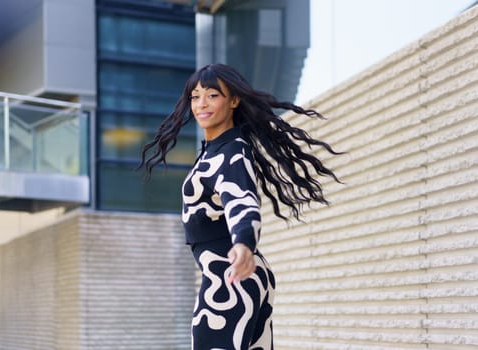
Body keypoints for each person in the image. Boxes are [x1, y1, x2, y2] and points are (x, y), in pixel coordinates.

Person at [140, 63, 340, 349]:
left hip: (230, 277)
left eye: (212, 95)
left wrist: (244, 244)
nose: (201, 104)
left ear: (233, 100)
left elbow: (242, 201)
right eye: (195, 97)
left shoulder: (231, 152)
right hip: (244, 275)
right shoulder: (221, 149)